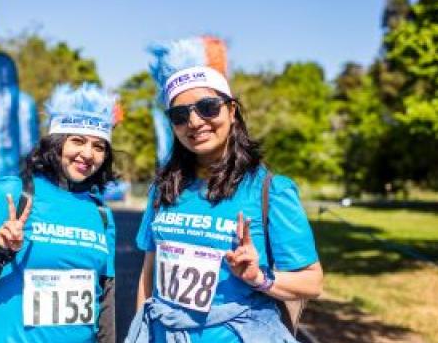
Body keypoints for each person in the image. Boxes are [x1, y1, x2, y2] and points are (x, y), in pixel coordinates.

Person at [127, 43, 323, 343]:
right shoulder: (163, 190)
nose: (194, 122)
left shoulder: (271, 190)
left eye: (207, 107)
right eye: (180, 115)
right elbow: (148, 276)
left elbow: (312, 281)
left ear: (232, 111)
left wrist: (259, 278)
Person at [0, 83, 118, 343]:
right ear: (56, 143)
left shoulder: (100, 212)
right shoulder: (16, 191)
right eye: (77, 140)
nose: (88, 154)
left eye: (99, 146)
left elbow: (106, 295)